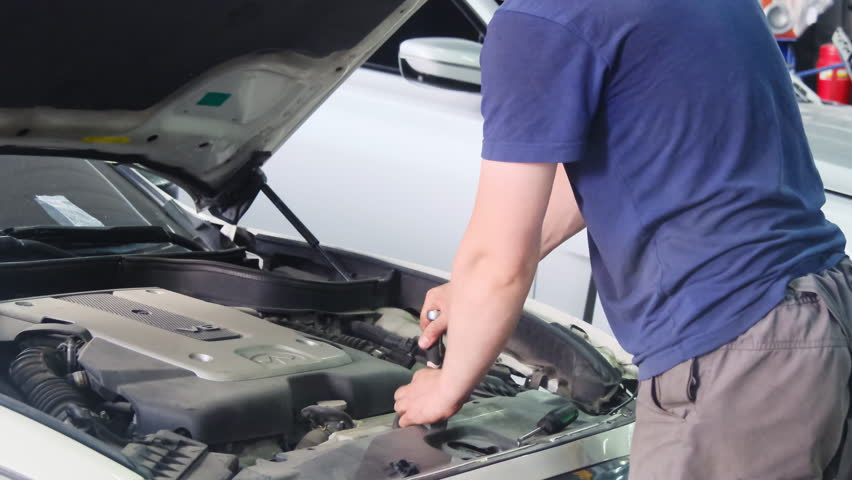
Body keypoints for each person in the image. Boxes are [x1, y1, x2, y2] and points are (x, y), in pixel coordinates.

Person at [391, 0, 852, 478]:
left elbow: (498, 262)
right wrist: (470, 295)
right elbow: (621, 150)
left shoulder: (540, 19)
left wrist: (448, 384)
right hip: (823, 307)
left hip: (732, 347)